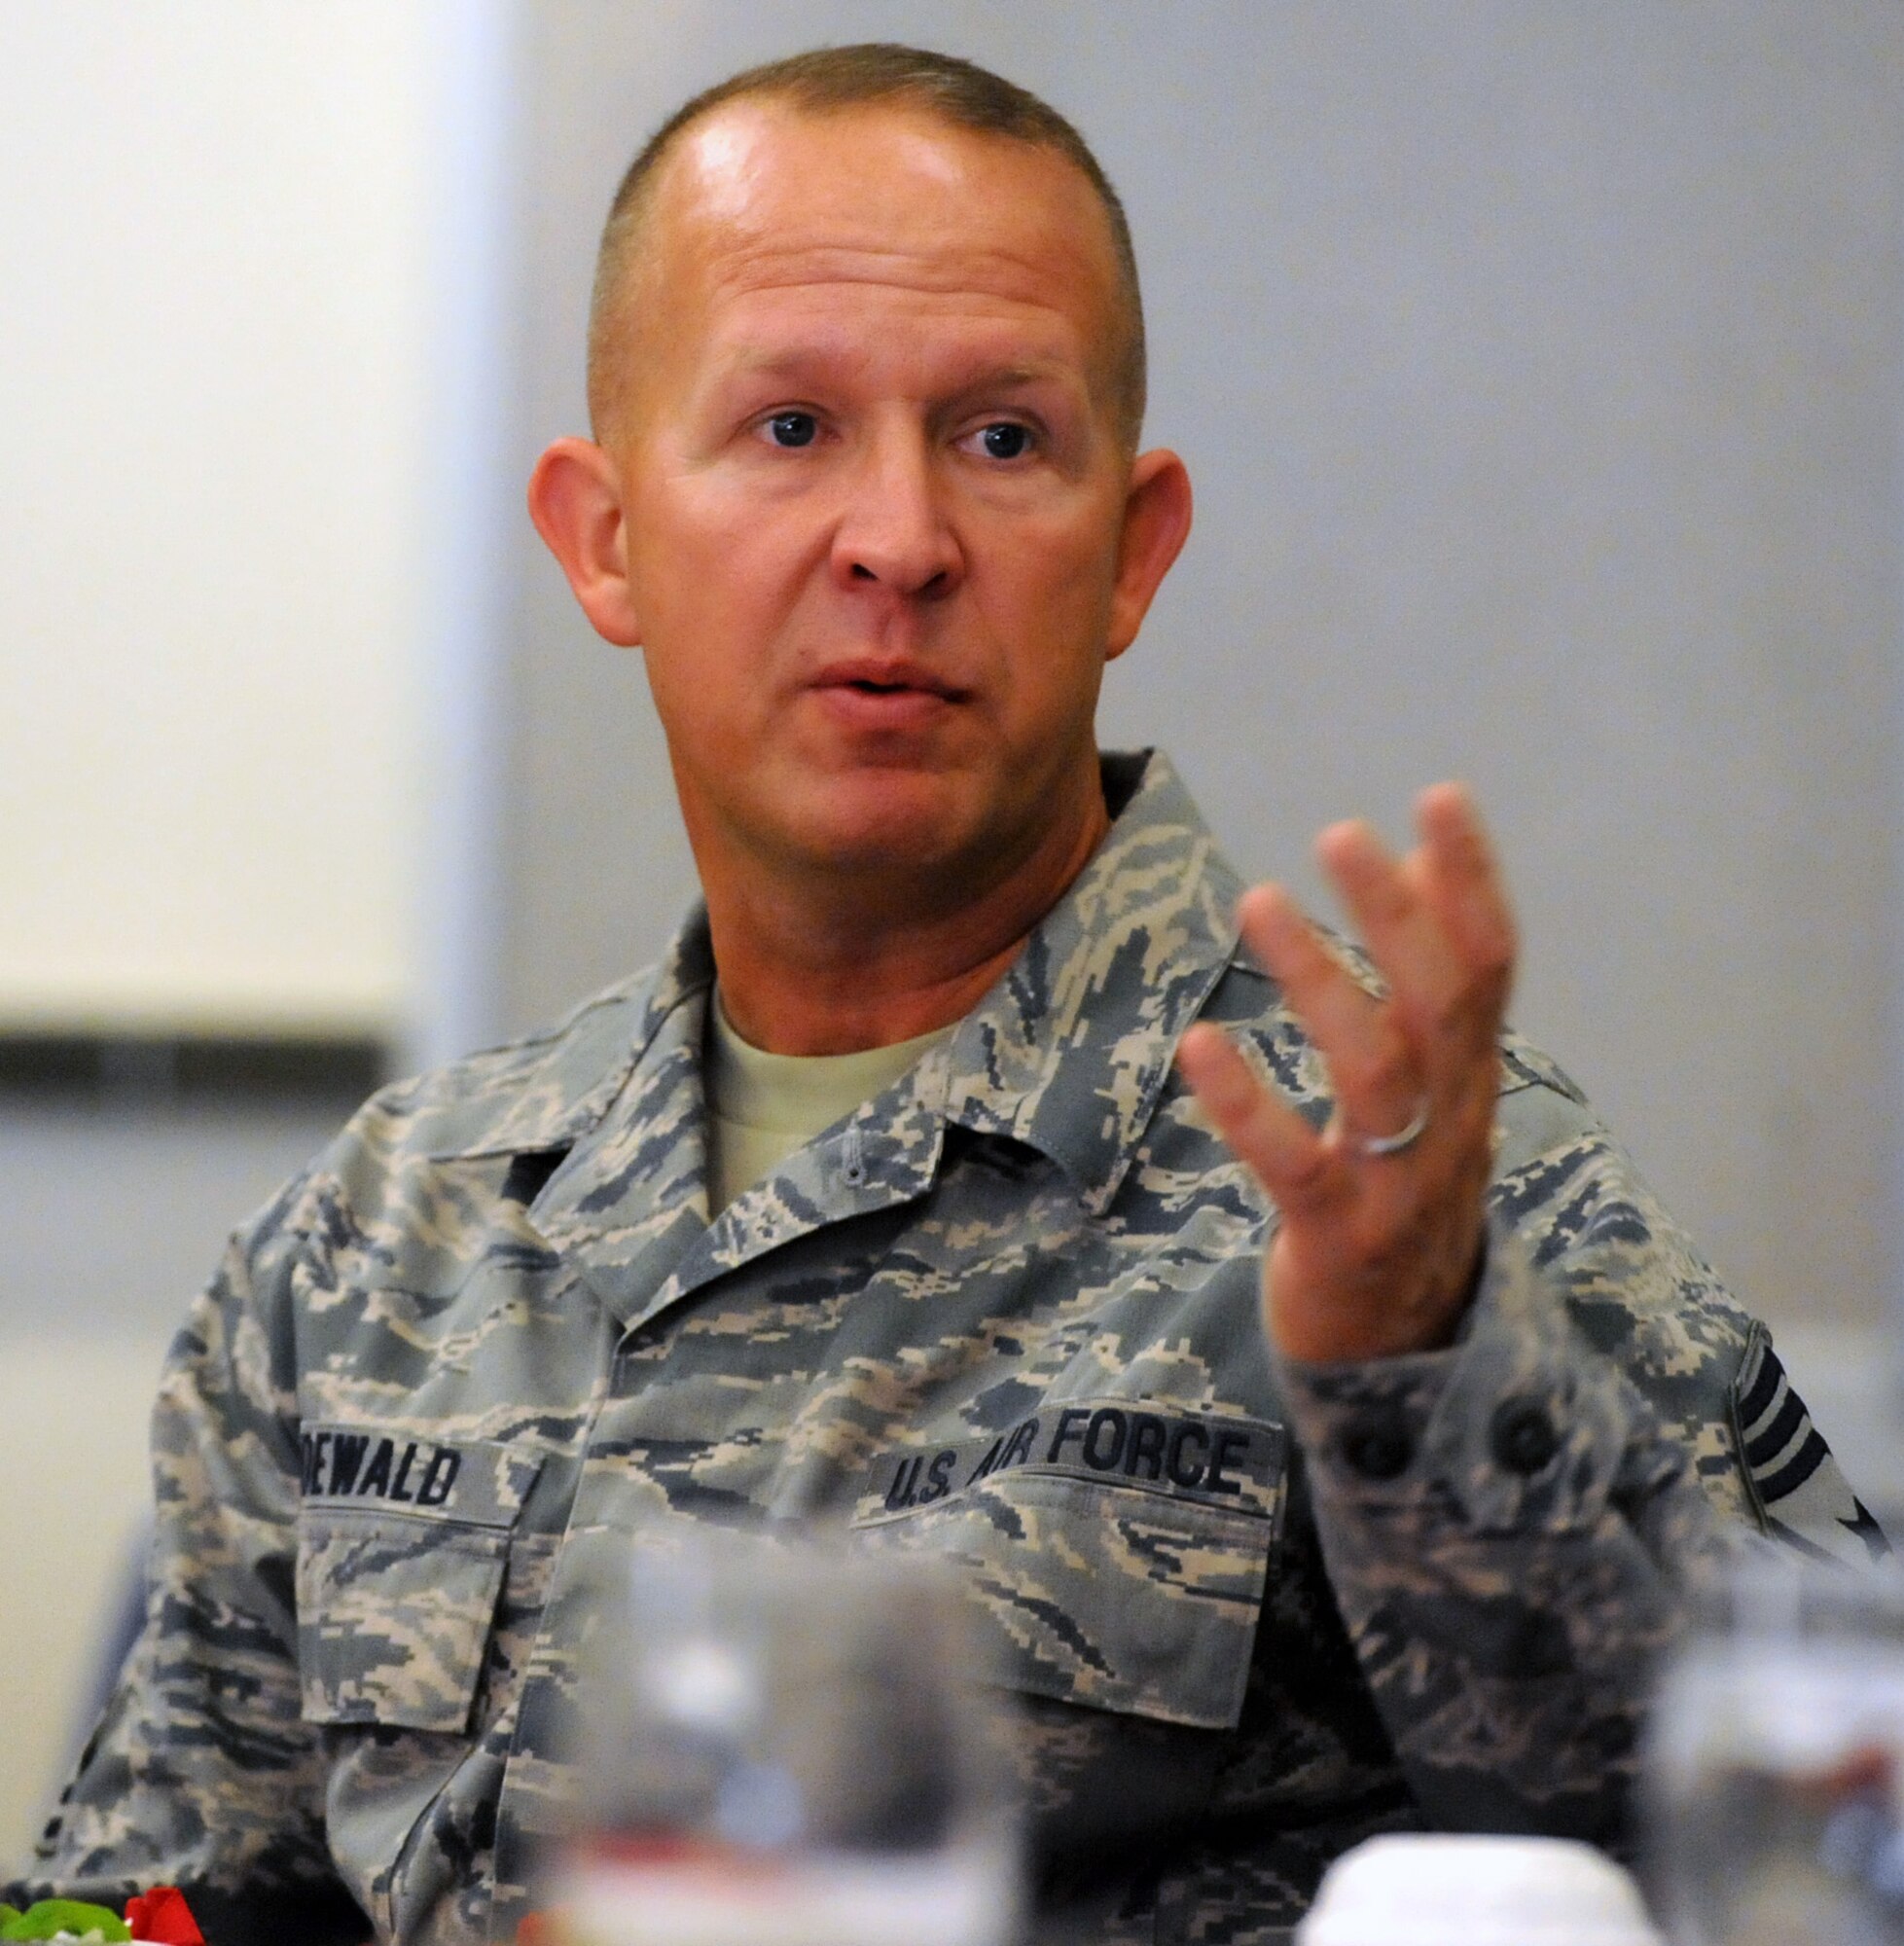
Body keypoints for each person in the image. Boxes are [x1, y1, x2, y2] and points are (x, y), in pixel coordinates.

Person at [9, 43, 1884, 1946]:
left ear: (1130, 549)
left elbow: (1806, 1867)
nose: (898, 541)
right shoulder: (381, 1230)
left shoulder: (1390, 1180)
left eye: (1000, 439)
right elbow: (135, 1902)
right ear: (605, 537)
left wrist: (1423, 1357)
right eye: (790, 428)